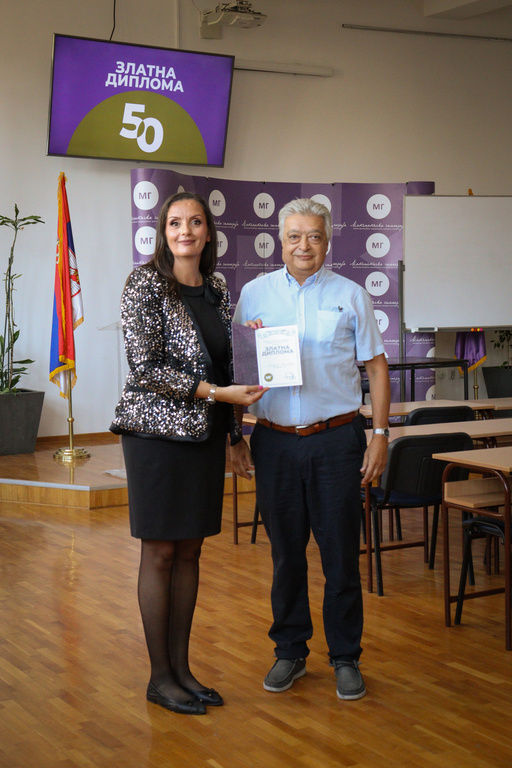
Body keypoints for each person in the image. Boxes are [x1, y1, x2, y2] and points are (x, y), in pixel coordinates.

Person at [110, 191, 267, 716]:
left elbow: (228, 368)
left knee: (191, 552)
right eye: (175, 222)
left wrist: (236, 434)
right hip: (154, 438)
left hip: (202, 438)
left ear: (208, 232)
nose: (186, 231)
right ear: (163, 232)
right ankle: (160, 678)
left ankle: (183, 671)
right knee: (160, 552)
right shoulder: (144, 284)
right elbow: (145, 367)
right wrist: (217, 394)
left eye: (195, 222)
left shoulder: (218, 289)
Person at [232, 198, 390, 701]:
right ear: (281, 241)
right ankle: (290, 651)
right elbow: (239, 371)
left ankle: (345, 657)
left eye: (315, 236)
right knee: (286, 556)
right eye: (295, 236)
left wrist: (380, 434)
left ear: (328, 241)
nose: (304, 246)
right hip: (274, 443)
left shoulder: (351, 295)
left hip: (337, 442)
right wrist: (236, 436)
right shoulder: (254, 295)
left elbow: (376, 367)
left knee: (341, 555)